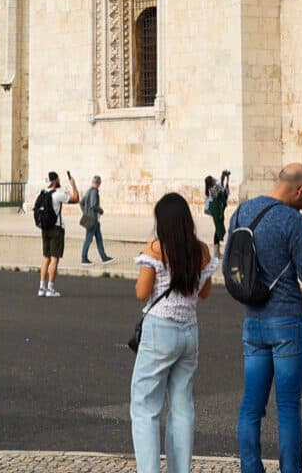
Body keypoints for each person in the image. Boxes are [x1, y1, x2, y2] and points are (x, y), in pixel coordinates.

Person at [233, 163, 302, 473]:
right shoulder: (292, 221)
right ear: (299, 190)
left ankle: (250, 469)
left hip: (253, 320)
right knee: (287, 407)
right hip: (287, 320)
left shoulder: (242, 212)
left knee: (251, 406)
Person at [130, 190, 215, 473]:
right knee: (181, 406)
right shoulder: (201, 251)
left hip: (160, 329)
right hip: (189, 331)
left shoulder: (156, 249)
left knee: (145, 406)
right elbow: (204, 293)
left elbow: (142, 292)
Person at [79, 175, 111, 265]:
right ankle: (84, 258)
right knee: (88, 239)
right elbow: (93, 205)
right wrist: (100, 210)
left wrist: (85, 212)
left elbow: (81, 203)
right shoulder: (94, 191)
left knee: (99, 239)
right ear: (99, 183)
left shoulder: (89, 191)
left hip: (93, 220)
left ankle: (104, 257)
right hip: (93, 220)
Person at [205, 175, 230, 247]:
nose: (214, 179)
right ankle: (216, 252)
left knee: (218, 230)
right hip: (216, 212)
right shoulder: (212, 190)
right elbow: (219, 191)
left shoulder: (214, 188)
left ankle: (217, 251)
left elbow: (223, 190)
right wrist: (222, 177)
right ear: (211, 182)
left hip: (218, 212)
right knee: (218, 230)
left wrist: (227, 179)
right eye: (213, 179)